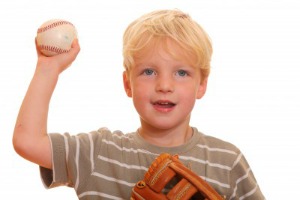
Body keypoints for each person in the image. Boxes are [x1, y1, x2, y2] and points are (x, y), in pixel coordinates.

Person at [13, 9, 265, 199]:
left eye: (181, 73)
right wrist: (48, 69)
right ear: (127, 84)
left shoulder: (227, 162)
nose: (164, 85)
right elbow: (28, 142)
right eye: (148, 72)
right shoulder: (98, 152)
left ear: (202, 85)